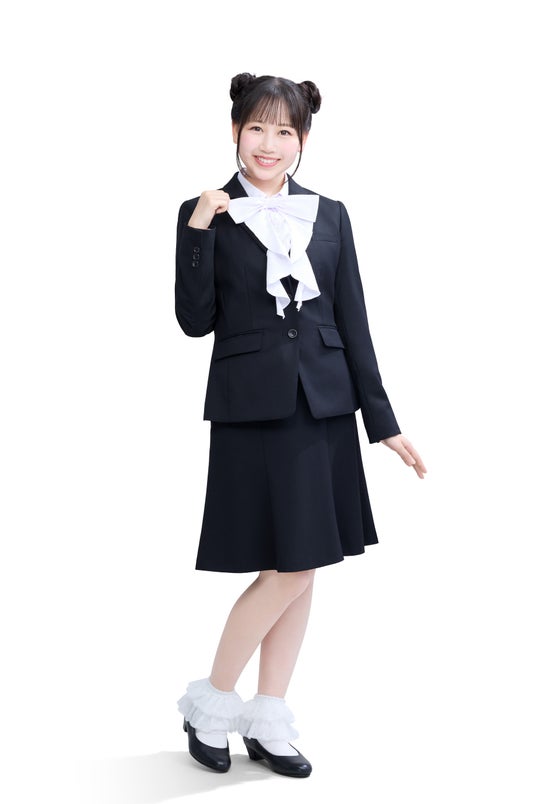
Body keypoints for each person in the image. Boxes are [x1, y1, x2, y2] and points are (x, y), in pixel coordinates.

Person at [174, 72, 426, 779]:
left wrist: (383, 421)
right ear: (235, 131)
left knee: (301, 566)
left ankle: (269, 715)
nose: (269, 143)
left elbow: (353, 319)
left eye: (284, 131)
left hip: (324, 406)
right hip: (252, 407)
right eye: (256, 127)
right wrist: (200, 228)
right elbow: (194, 321)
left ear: (303, 140)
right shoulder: (205, 212)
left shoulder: (331, 214)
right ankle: (212, 703)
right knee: (289, 568)